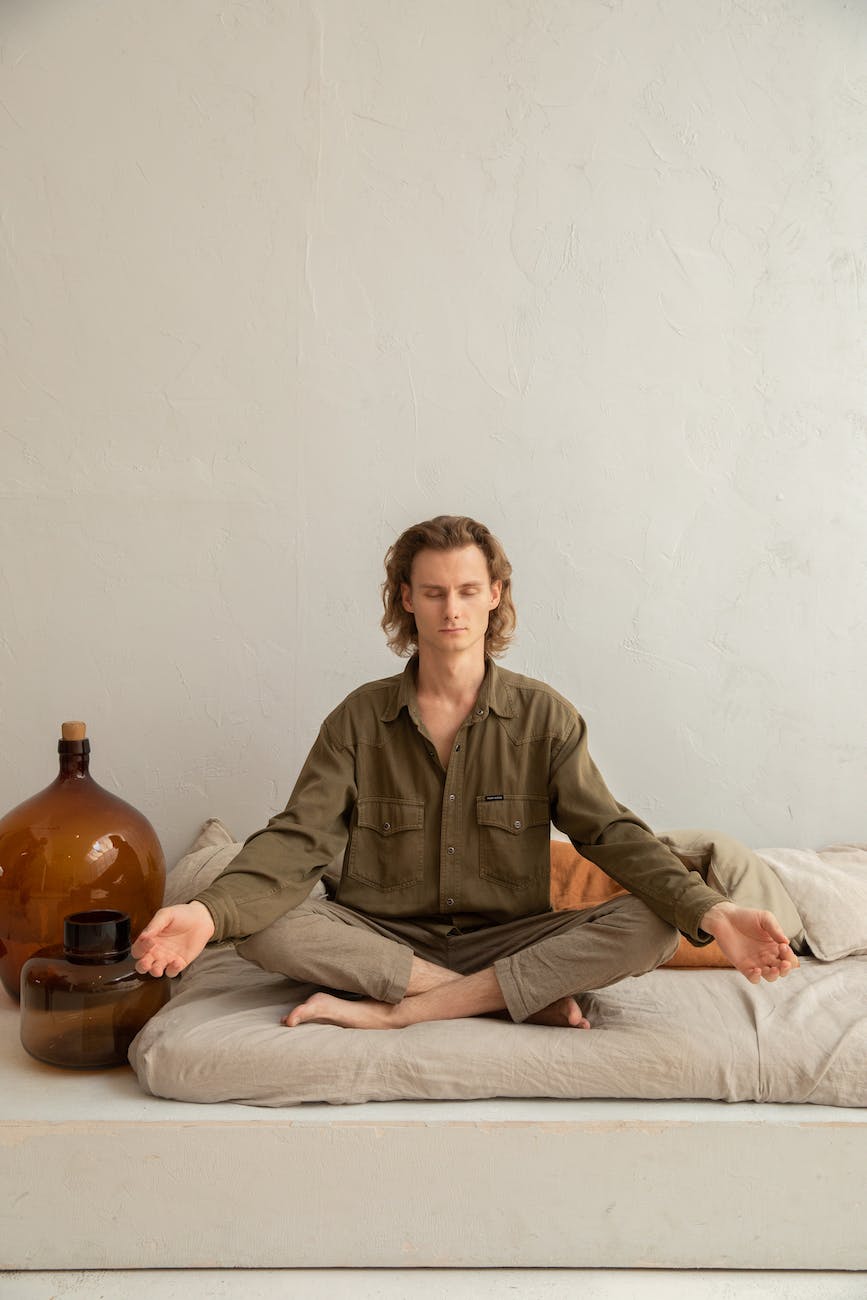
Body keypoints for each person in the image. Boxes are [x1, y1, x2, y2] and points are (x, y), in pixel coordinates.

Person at [133, 515, 798, 1029]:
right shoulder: (358, 720)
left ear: (494, 596)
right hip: (382, 938)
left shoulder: (544, 716)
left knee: (651, 925)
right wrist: (205, 912)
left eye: (467, 591)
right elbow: (297, 839)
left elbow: (611, 834)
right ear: (407, 600)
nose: (451, 609)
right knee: (261, 924)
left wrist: (714, 913)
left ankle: (409, 1009)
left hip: (510, 938)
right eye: (433, 592)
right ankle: (491, 1001)